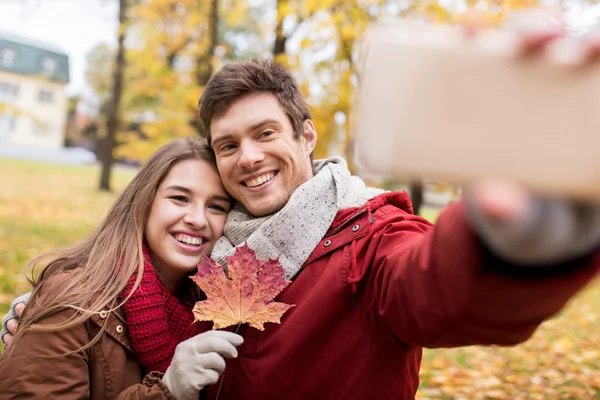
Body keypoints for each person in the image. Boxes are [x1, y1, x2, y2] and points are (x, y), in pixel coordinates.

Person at [4, 17, 600, 400]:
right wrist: (58, 311)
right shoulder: (222, 256)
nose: (248, 158)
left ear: (307, 137)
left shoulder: (369, 237)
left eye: (266, 133)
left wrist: (512, 243)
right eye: (228, 145)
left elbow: (439, 292)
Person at [0, 138, 244, 399]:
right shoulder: (73, 303)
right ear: (145, 202)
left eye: (216, 207)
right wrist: (168, 391)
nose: (197, 219)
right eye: (179, 198)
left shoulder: (225, 312)